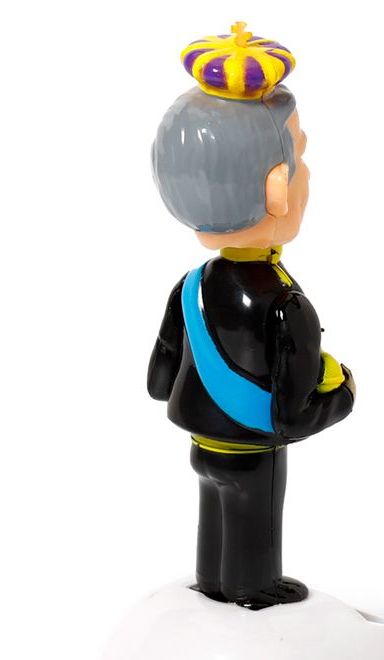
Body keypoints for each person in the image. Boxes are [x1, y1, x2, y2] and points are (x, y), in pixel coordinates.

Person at [147, 23, 356, 610]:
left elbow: (159, 379)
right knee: (254, 515)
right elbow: (292, 416)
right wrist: (343, 391)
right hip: (252, 451)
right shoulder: (286, 305)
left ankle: (213, 582)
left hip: (201, 443)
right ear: (277, 189)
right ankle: (251, 587)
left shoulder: (191, 286)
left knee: (215, 510)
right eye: (302, 156)